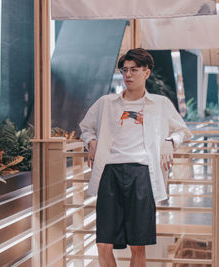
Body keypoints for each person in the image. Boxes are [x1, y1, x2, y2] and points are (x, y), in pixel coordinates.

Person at [79, 48, 192, 267]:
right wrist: (90, 141)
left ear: (146, 73)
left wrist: (170, 142)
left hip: (142, 175)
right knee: (103, 243)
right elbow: (86, 127)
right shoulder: (106, 103)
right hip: (109, 174)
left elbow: (182, 131)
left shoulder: (160, 104)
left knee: (138, 244)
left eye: (134, 70)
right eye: (125, 70)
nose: (128, 75)